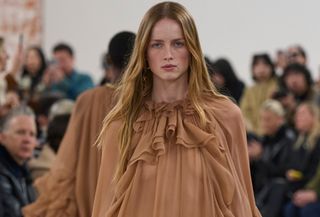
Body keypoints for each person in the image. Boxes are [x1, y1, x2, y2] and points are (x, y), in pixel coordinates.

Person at [92, 2, 261, 217]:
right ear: (144, 51)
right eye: (157, 45)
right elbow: (105, 205)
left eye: (178, 44)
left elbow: (241, 199)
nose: (168, 54)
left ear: (192, 49)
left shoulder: (225, 116)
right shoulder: (121, 124)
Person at [22, 30, 136, 217]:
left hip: (88, 201)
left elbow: (67, 163)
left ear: (108, 60)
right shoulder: (149, 103)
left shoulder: (87, 100)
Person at [0, 106, 37, 217]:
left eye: (32, 134)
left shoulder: (24, 170)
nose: (27, 139)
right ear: (2, 137)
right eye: (21, 132)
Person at [240, 53, 279, 135]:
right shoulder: (249, 91)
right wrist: (252, 131)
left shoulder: (277, 86)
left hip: (273, 132)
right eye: (257, 65)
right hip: (253, 134)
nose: (261, 69)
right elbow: (244, 112)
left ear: (271, 67)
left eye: (265, 65)